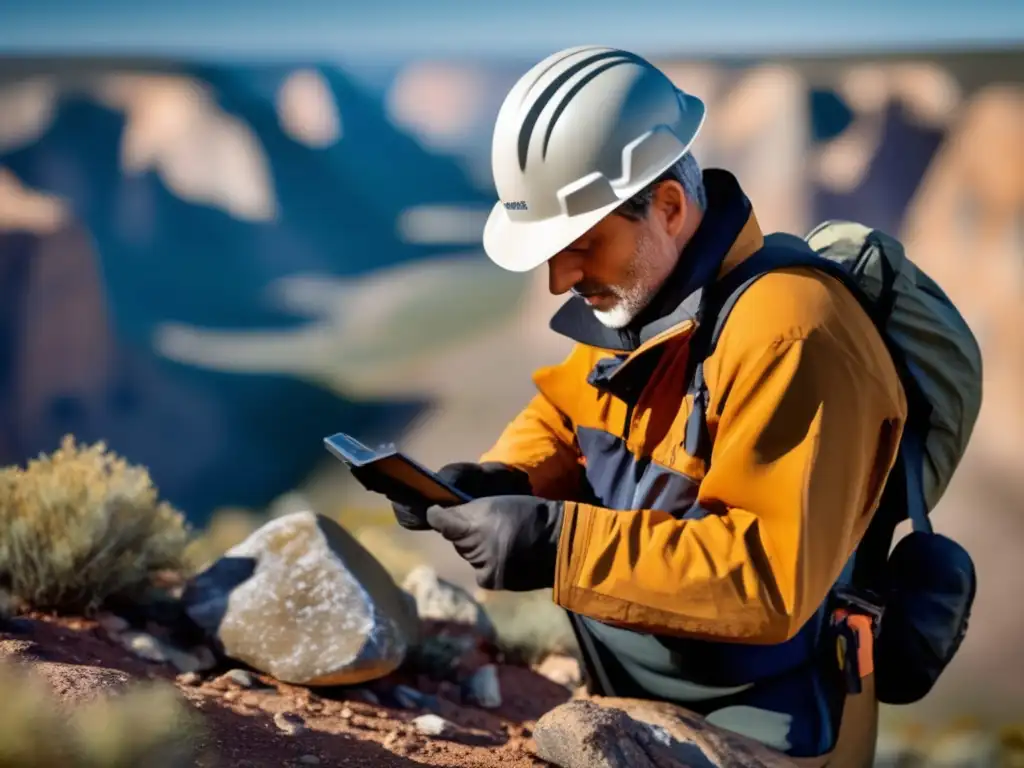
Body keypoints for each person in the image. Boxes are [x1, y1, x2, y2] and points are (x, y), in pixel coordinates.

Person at [391, 45, 907, 768]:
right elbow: (568, 418)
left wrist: (557, 544)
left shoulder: (794, 335)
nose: (558, 278)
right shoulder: (644, 299)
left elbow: (767, 579)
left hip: (773, 730)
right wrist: (508, 479)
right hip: (648, 692)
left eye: (580, 243)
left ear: (667, 206)